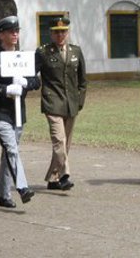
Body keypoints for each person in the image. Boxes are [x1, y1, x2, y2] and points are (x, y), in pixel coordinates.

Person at [0, 16, 39, 208]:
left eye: (17, 31)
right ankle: (22, 187)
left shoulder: (24, 58)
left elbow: (36, 81)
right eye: (11, 31)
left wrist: (26, 83)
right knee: (12, 149)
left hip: (18, 113)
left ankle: (4, 195)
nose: (15, 34)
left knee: (8, 154)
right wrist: (5, 89)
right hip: (0, 112)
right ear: (1, 35)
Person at [35, 17, 87, 191]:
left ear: (68, 31)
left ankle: (52, 178)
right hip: (52, 101)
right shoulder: (43, 52)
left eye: (63, 31)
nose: (60, 35)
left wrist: (80, 101)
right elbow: (31, 72)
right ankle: (65, 175)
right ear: (50, 33)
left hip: (71, 103)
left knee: (66, 143)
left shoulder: (76, 52)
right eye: (56, 32)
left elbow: (83, 80)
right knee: (59, 140)